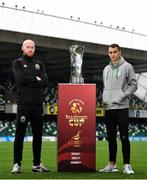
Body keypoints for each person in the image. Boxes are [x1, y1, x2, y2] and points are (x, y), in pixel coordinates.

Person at [11, 39, 50, 173]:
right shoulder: (17, 63)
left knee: (38, 135)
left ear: (35, 48)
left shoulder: (39, 64)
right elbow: (19, 80)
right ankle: (17, 164)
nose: (30, 49)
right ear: (22, 48)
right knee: (19, 135)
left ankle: (36, 164)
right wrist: (35, 79)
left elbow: (45, 82)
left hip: (38, 105)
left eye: (32, 47)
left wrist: (31, 81)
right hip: (24, 104)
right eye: (27, 47)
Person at [99, 44, 137, 174]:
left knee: (124, 137)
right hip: (108, 108)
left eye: (115, 52)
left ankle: (127, 165)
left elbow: (133, 85)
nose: (113, 54)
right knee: (111, 137)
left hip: (121, 107)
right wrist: (104, 98)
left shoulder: (127, 67)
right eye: (110, 52)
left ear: (119, 52)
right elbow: (105, 87)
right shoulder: (105, 69)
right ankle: (112, 164)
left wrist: (122, 95)